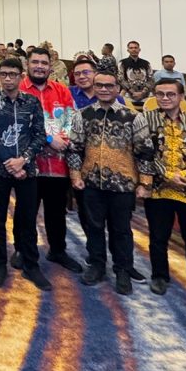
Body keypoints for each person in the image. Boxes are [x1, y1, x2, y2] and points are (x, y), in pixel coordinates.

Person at [68, 71, 153, 296]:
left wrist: (145, 183)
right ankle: (97, 264)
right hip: (91, 182)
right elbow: (75, 148)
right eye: (99, 85)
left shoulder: (133, 117)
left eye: (109, 86)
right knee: (94, 227)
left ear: (117, 88)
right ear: (94, 87)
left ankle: (123, 269)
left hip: (123, 185)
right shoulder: (82, 115)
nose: (104, 89)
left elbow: (145, 151)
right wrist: (75, 175)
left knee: (121, 229)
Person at [135, 79, 186, 303]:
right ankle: (160, 276)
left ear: (181, 97)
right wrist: (167, 175)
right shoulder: (146, 119)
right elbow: (144, 152)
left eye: (170, 94)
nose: (165, 98)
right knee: (158, 237)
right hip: (159, 189)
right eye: (160, 94)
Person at [0, 58, 51, 291]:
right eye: (3, 74)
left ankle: (31, 264)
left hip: (26, 169)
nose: (8, 78)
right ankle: (0, 264)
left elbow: (39, 135)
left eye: (12, 74)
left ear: (21, 76)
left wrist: (23, 160)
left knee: (28, 219)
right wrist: (10, 162)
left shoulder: (31, 102)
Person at [19, 47, 82, 274]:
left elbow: (71, 120)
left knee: (56, 212)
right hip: (29, 165)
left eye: (43, 63)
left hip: (57, 163)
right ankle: (23, 251)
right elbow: (19, 125)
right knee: (26, 212)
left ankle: (58, 250)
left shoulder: (61, 90)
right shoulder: (19, 90)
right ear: (27, 65)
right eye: (35, 62)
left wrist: (61, 139)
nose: (39, 67)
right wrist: (48, 139)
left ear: (50, 66)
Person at [118, 41, 152, 109]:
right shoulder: (122, 63)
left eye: (136, 48)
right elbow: (121, 79)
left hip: (145, 94)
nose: (134, 49)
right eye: (131, 48)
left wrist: (143, 92)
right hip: (128, 94)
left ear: (139, 49)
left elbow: (151, 79)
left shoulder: (146, 63)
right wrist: (132, 92)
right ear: (128, 50)